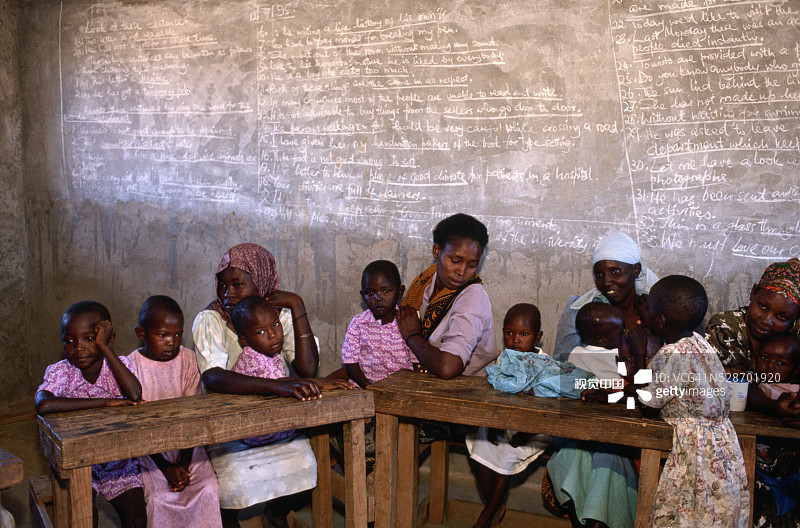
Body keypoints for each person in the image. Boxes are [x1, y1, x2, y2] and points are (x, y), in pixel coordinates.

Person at [192, 243, 324, 527]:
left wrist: (297, 305)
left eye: (237, 284)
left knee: (305, 473)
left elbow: (308, 369)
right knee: (234, 485)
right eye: (222, 285)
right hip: (230, 429)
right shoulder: (211, 319)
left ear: (261, 280)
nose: (228, 294)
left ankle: (275, 516)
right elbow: (213, 377)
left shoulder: (278, 316)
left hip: (278, 425)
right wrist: (275, 386)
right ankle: (228, 521)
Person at [628, 275, 749, 527]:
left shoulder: (672, 354)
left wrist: (638, 351)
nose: (644, 313)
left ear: (660, 321)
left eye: (649, 309)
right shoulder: (702, 346)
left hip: (695, 455)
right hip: (723, 452)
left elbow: (648, 404)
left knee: (685, 515)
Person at [35, 301, 147, 528]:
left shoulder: (119, 365)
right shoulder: (61, 371)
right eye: (69, 340)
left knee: (137, 519)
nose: (78, 348)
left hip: (118, 462)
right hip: (78, 464)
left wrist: (105, 348)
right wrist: (104, 403)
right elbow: (43, 404)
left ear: (109, 339)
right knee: (85, 519)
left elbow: (135, 394)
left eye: (89, 339)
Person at [127, 296, 222, 528]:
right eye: (163, 335)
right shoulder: (132, 366)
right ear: (142, 333)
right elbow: (136, 427)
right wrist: (167, 467)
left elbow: (193, 414)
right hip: (150, 452)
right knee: (160, 499)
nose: (171, 341)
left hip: (189, 446)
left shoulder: (188, 360)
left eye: (177, 334)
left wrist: (185, 461)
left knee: (208, 488)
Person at [465, 303, 551, 528]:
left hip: (533, 428)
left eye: (524, 334)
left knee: (504, 455)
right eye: (509, 333)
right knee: (480, 444)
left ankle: (487, 513)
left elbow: (546, 410)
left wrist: (526, 432)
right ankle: (495, 508)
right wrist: (494, 425)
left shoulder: (544, 365)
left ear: (537, 336)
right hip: (502, 422)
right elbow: (496, 396)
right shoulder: (503, 359)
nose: (515, 340)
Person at [397, 213, 497, 379]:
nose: (462, 272)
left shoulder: (473, 298)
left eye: (472, 265)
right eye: (456, 261)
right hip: (427, 378)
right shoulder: (425, 281)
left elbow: (448, 367)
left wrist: (412, 336)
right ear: (437, 251)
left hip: (467, 389)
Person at [552, 231, 658, 362]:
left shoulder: (654, 313)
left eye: (615, 271)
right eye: (599, 274)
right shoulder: (580, 311)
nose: (607, 282)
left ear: (636, 270)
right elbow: (561, 366)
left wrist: (652, 324)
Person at [706, 258, 800, 374]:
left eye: (781, 316)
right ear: (753, 293)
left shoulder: (795, 333)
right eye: (763, 307)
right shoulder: (724, 327)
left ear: (796, 318)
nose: (766, 320)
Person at [746, 334, 800, 527]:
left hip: (790, 473)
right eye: (765, 358)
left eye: (781, 363)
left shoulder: (794, 389)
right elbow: (752, 397)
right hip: (762, 473)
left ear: (795, 369)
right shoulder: (756, 385)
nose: (770, 366)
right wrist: (776, 407)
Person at [342, 260, 416, 388]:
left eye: (386, 291)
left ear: (400, 292)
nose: (378, 298)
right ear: (363, 295)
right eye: (370, 293)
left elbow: (416, 362)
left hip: (402, 390)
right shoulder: (358, 324)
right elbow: (351, 364)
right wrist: (370, 389)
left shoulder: (407, 321)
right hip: (364, 389)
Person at [567, 303, 624, 382]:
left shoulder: (575, 353)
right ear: (601, 339)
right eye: (620, 333)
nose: (625, 335)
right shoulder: (619, 355)